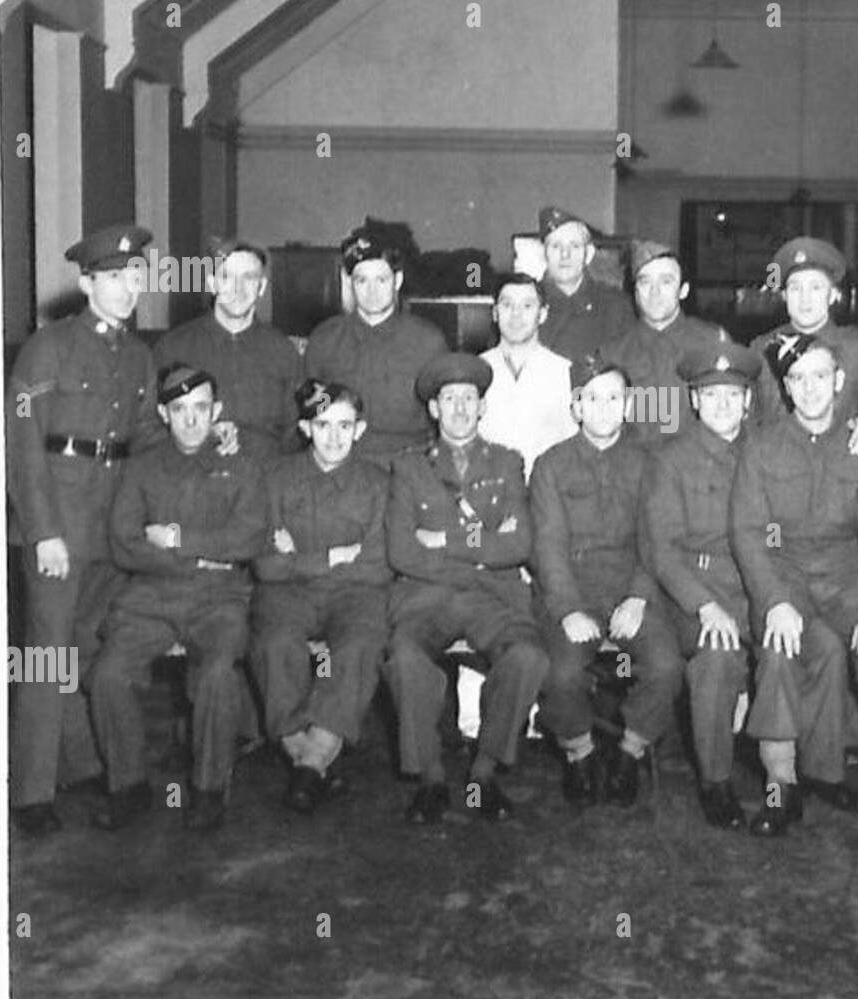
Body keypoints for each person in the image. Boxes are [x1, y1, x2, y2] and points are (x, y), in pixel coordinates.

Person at [5, 224, 163, 837]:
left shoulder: (139, 354)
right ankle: (32, 792)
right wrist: (42, 530)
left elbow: (145, 436)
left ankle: (82, 764)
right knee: (47, 654)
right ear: (86, 282)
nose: (127, 288)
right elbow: (22, 445)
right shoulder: (49, 347)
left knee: (92, 645)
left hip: (111, 519)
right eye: (114, 277)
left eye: (135, 276)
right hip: (61, 517)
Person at [731, 334, 858, 837]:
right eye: (798, 379)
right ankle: (780, 786)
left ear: (839, 382)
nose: (809, 388)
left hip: (846, 584)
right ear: (785, 386)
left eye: (820, 377)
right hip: (787, 584)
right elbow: (749, 534)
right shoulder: (762, 447)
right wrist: (776, 601)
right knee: (783, 650)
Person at [88, 365, 267, 833]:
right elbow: (124, 540)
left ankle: (209, 790)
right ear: (165, 414)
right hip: (151, 595)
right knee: (108, 674)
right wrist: (197, 559)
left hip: (220, 598)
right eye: (181, 410)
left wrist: (176, 537)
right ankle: (128, 786)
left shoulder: (242, 465)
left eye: (202, 409)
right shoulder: (143, 467)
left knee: (216, 673)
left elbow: (249, 538)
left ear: (218, 411)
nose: (192, 421)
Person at [384, 353, 547, 825]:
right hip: (425, 597)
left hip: (492, 598)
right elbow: (401, 551)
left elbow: (519, 543)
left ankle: (484, 770)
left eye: (469, 399)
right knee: (406, 661)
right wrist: (480, 548)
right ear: (433, 409)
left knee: (527, 657)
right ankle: (430, 777)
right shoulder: (409, 468)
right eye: (448, 399)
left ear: (482, 408)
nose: (459, 408)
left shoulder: (508, 463)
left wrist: (447, 540)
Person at [529, 354, 683, 809]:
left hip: (632, 587)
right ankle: (580, 752)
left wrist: (637, 598)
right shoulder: (550, 465)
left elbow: (656, 540)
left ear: (629, 404)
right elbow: (548, 548)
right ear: (575, 407)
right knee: (562, 672)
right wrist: (569, 610)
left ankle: (629, 752)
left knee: (667, 666)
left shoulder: (649, 463)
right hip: (570, 590)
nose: (603, 407)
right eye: (591, 398)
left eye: (614, 397)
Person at [251, 380, 390, 813]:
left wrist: (300, 555)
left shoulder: (378, 483)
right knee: (274, 644)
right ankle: (311, 762)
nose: (334, 437)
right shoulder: (275, 477)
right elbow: (266, 565)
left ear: (360, 429)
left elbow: (379, 564)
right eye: (323, 424)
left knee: (360, 644)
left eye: (345, 425)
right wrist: (333, 556)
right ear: (306, 428)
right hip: (287, 593)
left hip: (356, 594)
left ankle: (308, 765)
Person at [643, 339, 762, 829]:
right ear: (693, 400)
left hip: (760, 586)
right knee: (717, 655)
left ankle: (797, 770)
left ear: (749, 401)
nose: (722, 406)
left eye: (732, 396)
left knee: (813, 641)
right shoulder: (670, 459)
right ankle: (716, 780)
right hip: (698, 590)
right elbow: (662, 549)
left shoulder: (767, 448)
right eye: (710, 396)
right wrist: (706, 606)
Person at [303, 225, 447, 468]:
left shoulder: (428, 342)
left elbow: (444, 420)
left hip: (408, 466)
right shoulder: (325, 341)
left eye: (381, 280)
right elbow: (311, 414)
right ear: (349, 282)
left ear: (397, 280)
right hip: (344, 465)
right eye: (361, 280)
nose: (371, 292)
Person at [154, 240, 303, 463]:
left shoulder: (283, 351)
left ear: (261, 287)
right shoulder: (173, 347)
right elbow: (149, 426)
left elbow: (297, 432)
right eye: (227, 277)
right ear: (212, 284)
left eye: (249, 278)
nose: (238, 288)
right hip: (193, 480)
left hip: (264, 481)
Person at [750, 237, 858, 432]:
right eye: (795, 288)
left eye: (816, 287)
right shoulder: (761, 351)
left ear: (833, 295)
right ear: (784, 296)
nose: (805, 299)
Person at [602, 241, 722, 445]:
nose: (654, 292)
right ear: (635, 291)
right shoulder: (612, 354)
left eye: (666, 281)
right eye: (645, 282)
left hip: (695, 469)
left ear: (683, 290)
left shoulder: (712, 343)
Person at [478, 272, 577, 479]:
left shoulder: (564, 373)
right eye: (507, 305)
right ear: (495, 313)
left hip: (546, 494)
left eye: (527, 306)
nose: (516, 314)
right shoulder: (475, 371)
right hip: (489, 494)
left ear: (542, 314)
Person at [537, 206, 635, 362]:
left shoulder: (616, 307)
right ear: (544, 254)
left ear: (588, 254)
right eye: (556, 246)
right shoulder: (525, 304)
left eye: (574, 246)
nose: (565, 254)